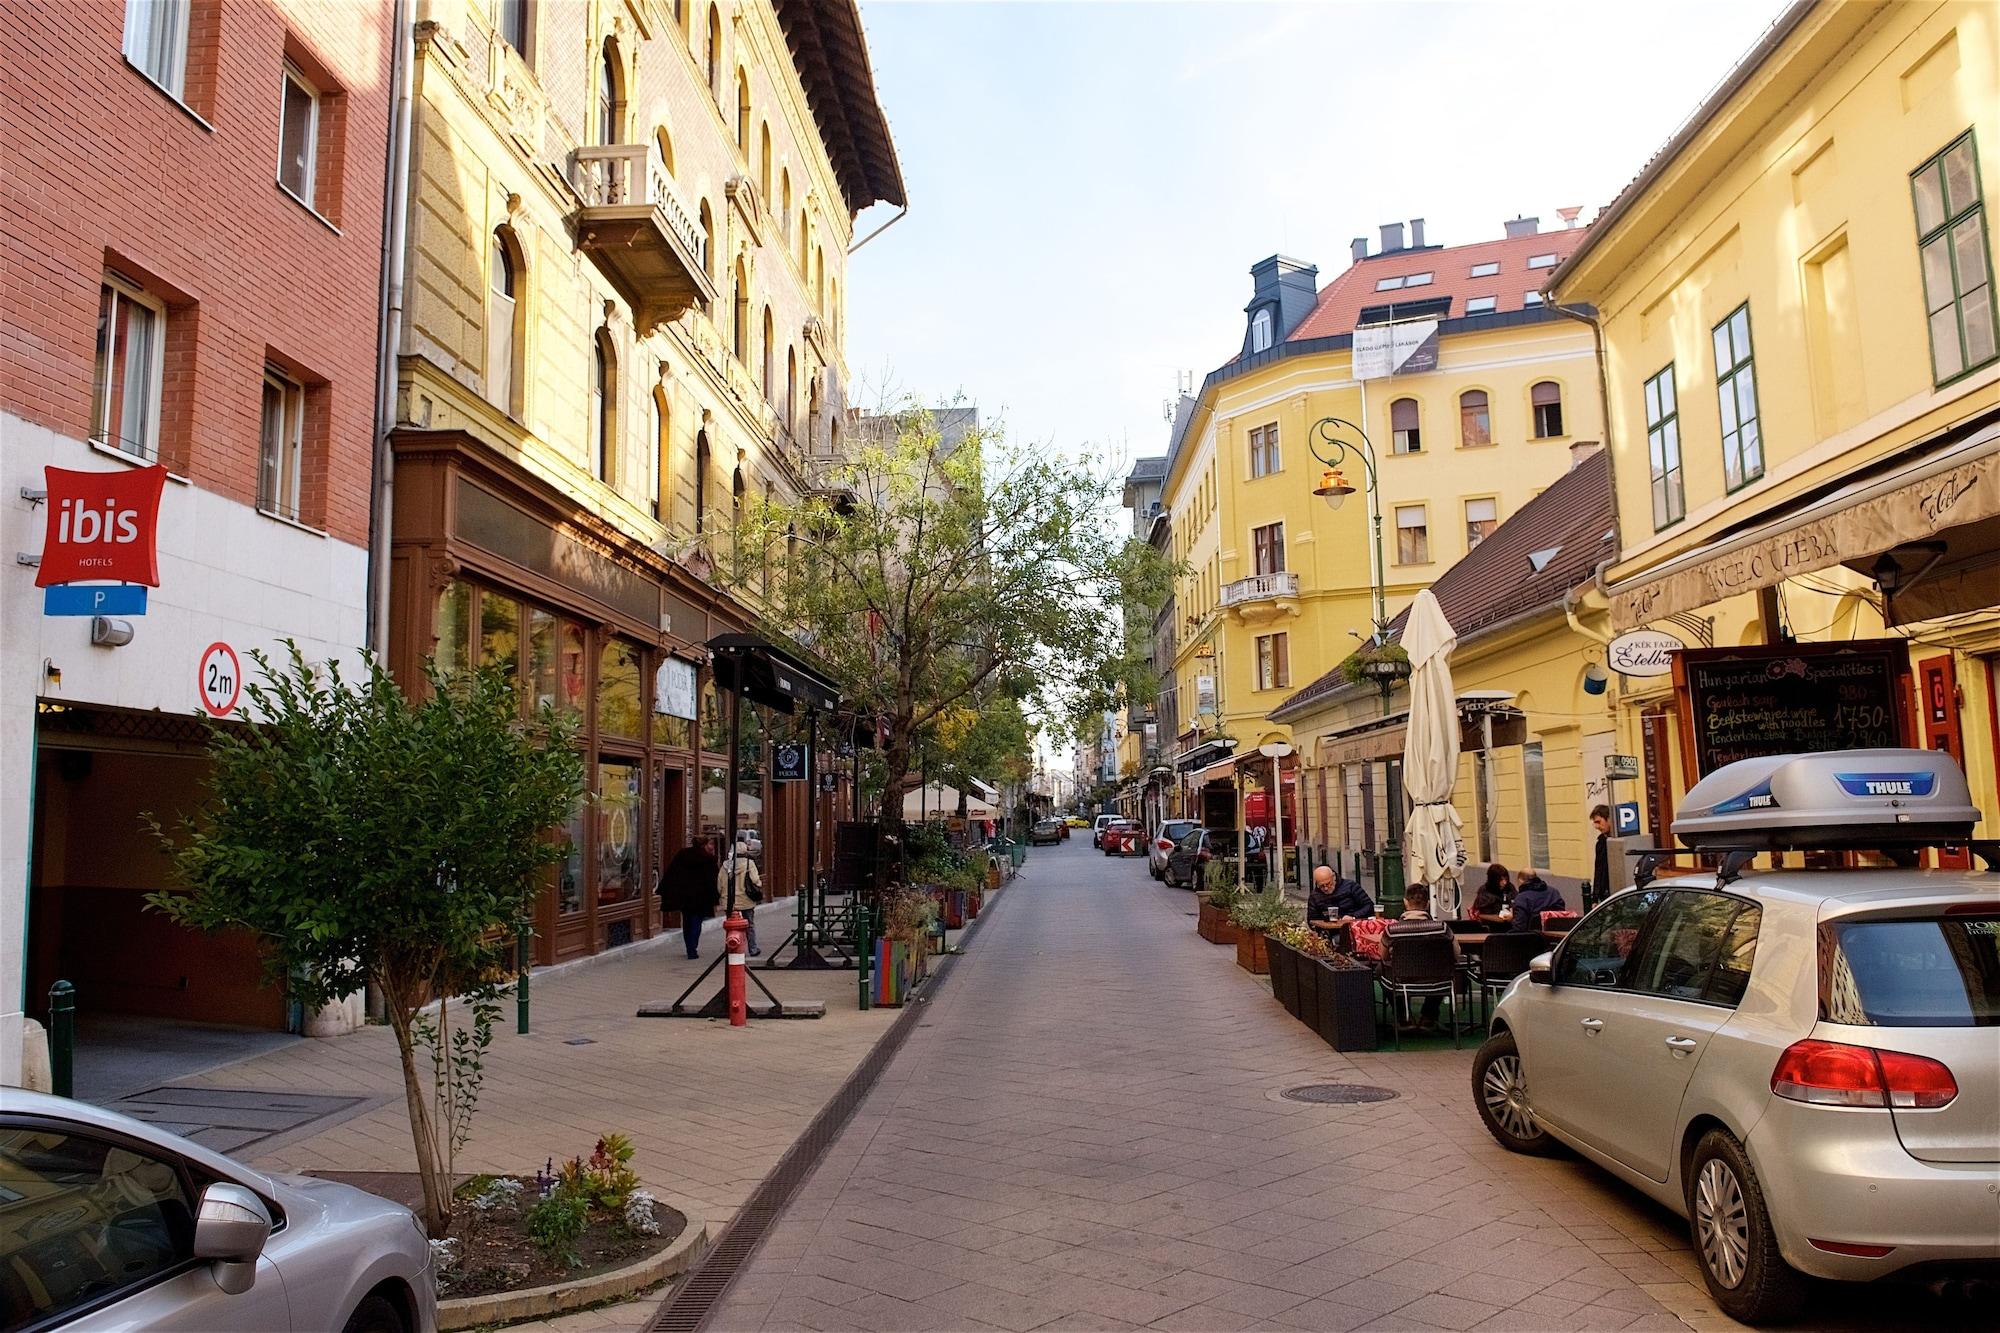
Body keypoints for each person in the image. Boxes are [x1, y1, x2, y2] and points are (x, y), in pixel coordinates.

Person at [1382, 882, 1460, 1029]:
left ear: (1405, 902)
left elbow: (1383, 956)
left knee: (1381, 969)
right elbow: (1456, 954)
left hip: (1402, 978)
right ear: (1428, 903)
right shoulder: (1442, 928)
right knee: (1446, 968)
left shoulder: (1392, 930)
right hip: (1436, 979)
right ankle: (1429, 1016)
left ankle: (1403, 1016)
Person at [659, 836, 720, 960]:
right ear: (703, 845)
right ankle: (693, 947)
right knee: (697, 922)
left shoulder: (683, 855)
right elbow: (713, 880)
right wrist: (715, 897)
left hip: (685, 896)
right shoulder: (708, 859)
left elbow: (672, 874)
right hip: (701, 897)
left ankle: (690, 948)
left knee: (687, 922)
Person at [721, 834, 765, 957]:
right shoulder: (749, 864)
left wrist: (723, 894)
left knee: (730, 925)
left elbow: (720, 883)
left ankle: (731, 946)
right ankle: (753, 948)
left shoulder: (726, 865)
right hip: (746, 899)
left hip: (729, 900)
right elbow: (755, 880)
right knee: (749, 924)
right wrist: (759, 885)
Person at [1308, 865, 1374, 925]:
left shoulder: (1350, 886)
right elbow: (1312, 920)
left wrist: (1353, 916)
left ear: (1333, 877)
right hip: (1330, 930)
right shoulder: (1315, 896)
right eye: (1322, 886)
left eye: (1328, 884)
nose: (1326, 888)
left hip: (1352, 926)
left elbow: (1369, 906)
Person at [1589, 804, 1614, 910]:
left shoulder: (1618, 841)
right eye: (1595, 823)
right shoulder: (1601, 842)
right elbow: (1598, 870)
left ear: (1608, 819)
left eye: (1599, 822)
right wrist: (1595, 898)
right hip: (1605, 894)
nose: (1597, 827)